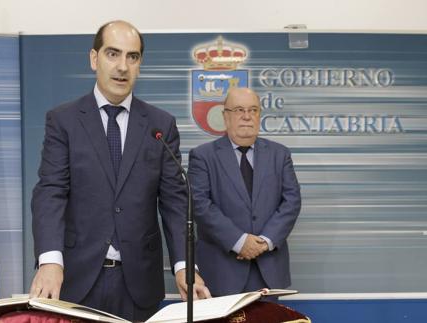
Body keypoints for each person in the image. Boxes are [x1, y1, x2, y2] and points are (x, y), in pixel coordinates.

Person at [29, 20, 210, 321]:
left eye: (132, 57)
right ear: (93, 58)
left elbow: (175, 202)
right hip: (77, 279)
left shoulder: (160, 125)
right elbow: (51, 192)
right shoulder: (64, 121)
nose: (122, 66)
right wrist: (49, 261)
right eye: (113, 54)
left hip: (138, 282)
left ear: (139, 64)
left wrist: (184, 267)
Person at [188, 87, 301, 297]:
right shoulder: (203, 156)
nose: (247, 117)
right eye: (239, 110)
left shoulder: (280, 154)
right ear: (225, 116)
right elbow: (200, 205)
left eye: (253, 110)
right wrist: (239, 242)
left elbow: (291, 202)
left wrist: (264, 242)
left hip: (268, 269)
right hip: (221, 271)